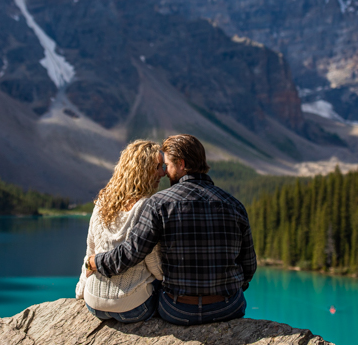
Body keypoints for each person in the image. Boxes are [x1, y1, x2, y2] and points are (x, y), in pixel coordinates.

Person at [85, 134, 256, 325]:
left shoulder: (158, 204)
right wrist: (230, 289)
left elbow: (132, 253)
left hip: (178, 310)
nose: (165, 172)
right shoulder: (234, 205)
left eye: (167, 165)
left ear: (181, 164)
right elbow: (248, 265)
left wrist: (95, 262)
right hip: (228, 307)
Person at [75, 140, 166, 322]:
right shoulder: (147, 206)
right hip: (133, 308)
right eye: (158, 167)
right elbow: (155, 265)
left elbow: (90, 251)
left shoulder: (102, 202)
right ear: (143, 170)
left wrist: (81, 291)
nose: (163, 173)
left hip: (94, 304)